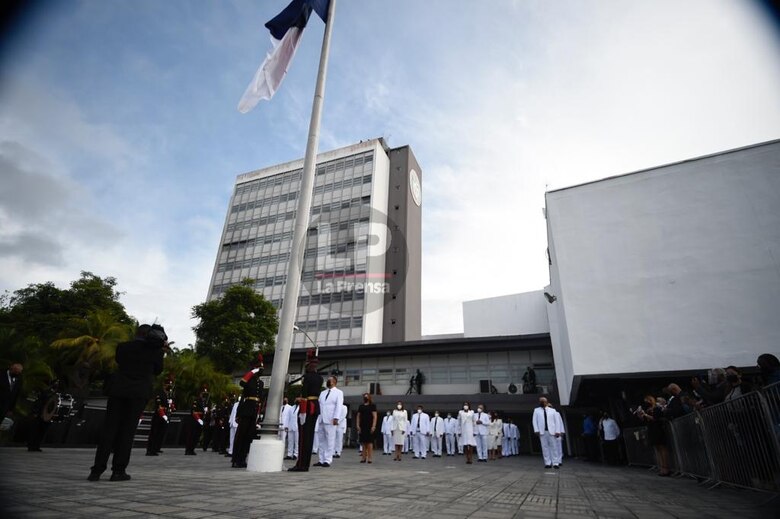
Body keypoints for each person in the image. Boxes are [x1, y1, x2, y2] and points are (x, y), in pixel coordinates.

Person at [88, 324, 166, 481]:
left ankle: (96, 470)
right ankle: (118, 470)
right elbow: (158, 370)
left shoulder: (123, 347)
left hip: (118, 390)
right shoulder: (155, 352)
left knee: (109, 430)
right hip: (138, 393)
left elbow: (119, 361)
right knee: (127, 432)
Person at [232, 354, 265, 468]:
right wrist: (252, 371)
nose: (260, 370)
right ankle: (236, 459)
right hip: (246, 410)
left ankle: (243, 458)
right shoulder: (248, 380)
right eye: (258, 368)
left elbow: (260, 399)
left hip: (254, 411)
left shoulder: (261, 383)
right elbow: (242, 382)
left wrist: (258, 414)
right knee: (241, 435)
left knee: (248, 436)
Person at [637, 395, 671, 476]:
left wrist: (645, 415)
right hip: (651, 429)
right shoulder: (648, 409)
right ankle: (661, 467)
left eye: (647, 401)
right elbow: (645, 420)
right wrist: (641, 415)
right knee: (658, 449)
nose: (646, 403)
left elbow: (655, 418)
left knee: (662, 448)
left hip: (658, 429)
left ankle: (666, 468)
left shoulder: (656, 408)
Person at [315, 375, 343, 468]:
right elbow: (319, 405)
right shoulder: (322, 393)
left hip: (331, 419)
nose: (327, 381)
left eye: (329, 380)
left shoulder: (338, 392)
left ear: (334, 382)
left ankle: (327, 460)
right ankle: (321, 459)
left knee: (330, 440)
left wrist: (336, 418)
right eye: (327, 380)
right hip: (321, 418)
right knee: (321, 440)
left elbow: (339, 406)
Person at [27, 378, 59, 452]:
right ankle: (31, 446)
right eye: (56, 382)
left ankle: (37, 446)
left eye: (58, 383)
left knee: (42, 431)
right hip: (40, 414)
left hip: (48, 415)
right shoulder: (46, 392)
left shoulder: (56, 394)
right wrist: (35, 412)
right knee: (35, 430)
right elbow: (38, 402)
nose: (57, 384)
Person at [146, 376, 174, 456]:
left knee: (161, 433)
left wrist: (171, 405)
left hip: (166, 414)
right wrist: (163, 415)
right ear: (164, 385)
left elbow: (170, 405)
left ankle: (156, 448)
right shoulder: (160, 393)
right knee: (154, 433)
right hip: (159, 415)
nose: (169, 387)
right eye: (168, 385)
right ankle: (150, 450)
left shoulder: (168, 394)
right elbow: (159, 406)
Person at [532, 396, 559, 469]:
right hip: (542, 431)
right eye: (540, 401)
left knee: (554, 447)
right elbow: (534, 421)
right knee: (545, 448)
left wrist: (557, 431)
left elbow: (557, 421)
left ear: (546, 402)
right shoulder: (536, 410)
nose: (541, 402)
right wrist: (536, 430)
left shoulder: (552, 410)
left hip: (552, 431)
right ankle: (547, 463)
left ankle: (555, 463)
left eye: (542, 401)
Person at [356, 392, 377, 463]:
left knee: (369, 443)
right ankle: (363, 457)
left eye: (367, 396)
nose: (365, 397)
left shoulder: (372, 406)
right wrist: (358, 425)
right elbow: (358, 416)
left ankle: (370, 458)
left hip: (370, 426)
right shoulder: (361, 406)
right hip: (363, 426)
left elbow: (375, 416)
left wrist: (373, 426)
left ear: (369, 397)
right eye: (364, 396)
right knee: (363, 442)